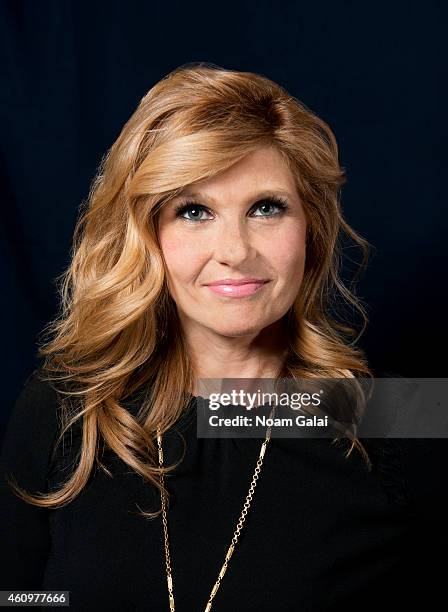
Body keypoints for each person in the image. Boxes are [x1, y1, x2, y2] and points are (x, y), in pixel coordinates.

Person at [1, 62, 446, 612]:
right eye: (194, 211)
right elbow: (16, 596)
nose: (234, 250)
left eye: (266, 208)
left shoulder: (391, 417)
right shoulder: (68, 405)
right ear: (147, 236)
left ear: (312, 229)